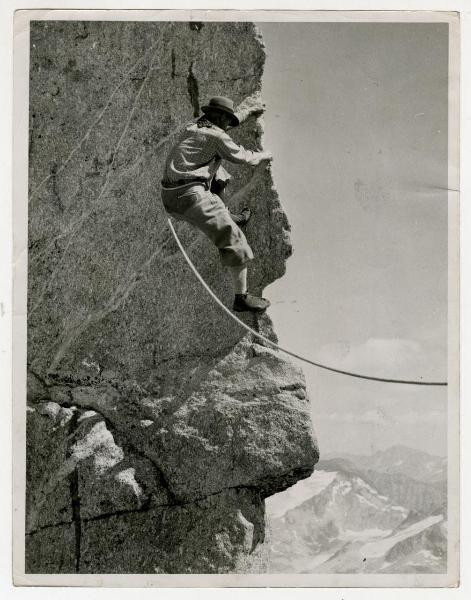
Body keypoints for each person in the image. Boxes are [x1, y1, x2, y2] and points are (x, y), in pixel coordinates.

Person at [161, 95, 273, 313]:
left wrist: (248, 111)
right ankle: (241, 298)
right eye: (227, 119)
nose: (229, 124)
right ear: (220, 117)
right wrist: (265, 155)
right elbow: (244, 157)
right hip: (190, 197)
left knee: (218, 170)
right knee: (235, 239)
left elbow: (226, 126)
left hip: (170, 194)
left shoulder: (193, 126)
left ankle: (226, 212)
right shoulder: (217, 137)